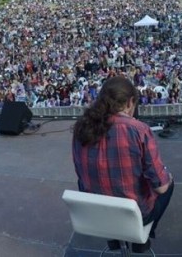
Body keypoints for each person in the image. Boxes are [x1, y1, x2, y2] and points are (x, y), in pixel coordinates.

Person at [72, 76, 173, 253]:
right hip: (133, 215)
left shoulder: (80, 126)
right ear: (130, 102)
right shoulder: (138, 130)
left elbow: (80, 174)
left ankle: (114, 239)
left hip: (96, 214)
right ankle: (142, 238)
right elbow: (161, 187)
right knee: (168, 183)